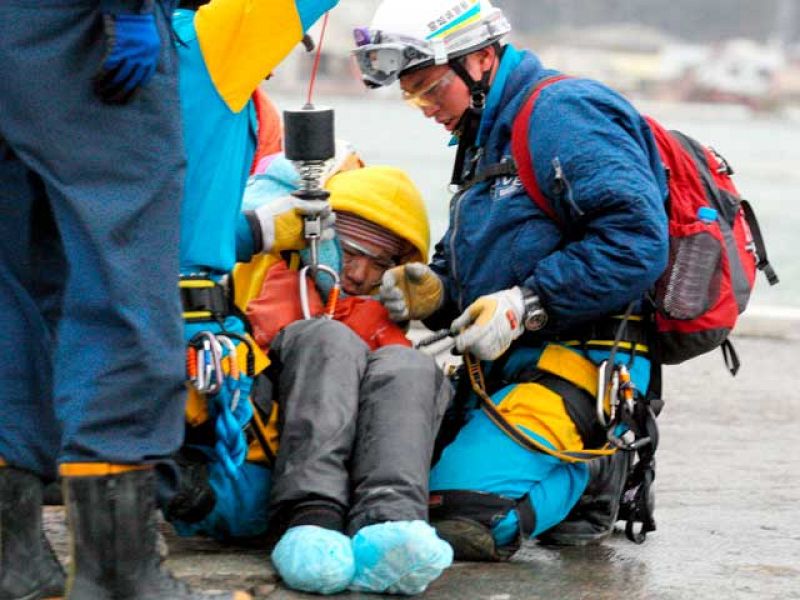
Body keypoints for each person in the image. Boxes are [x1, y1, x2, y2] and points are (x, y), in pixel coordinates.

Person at [353, 0, 670, 560]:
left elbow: (638, 242)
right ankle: (548, 471)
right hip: (506, 366)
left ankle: (598, 471)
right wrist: (437, 292)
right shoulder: (485, 137)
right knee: (389, 491)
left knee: (463, 519)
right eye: (412, 96)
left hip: (584, 361)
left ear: (480, 59)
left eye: (431, 89)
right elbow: (486, 263)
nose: (426, 109)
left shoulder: (564, 114)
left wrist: (529, 303)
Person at [0, 0, 251, 598]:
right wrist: (131, 11)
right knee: (122, 272)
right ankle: (117, 575)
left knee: (13, 284)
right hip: (82, 32)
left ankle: (12, 562)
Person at [170, 154, 455, 596]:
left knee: (412, 366)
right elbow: (197, 235)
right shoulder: (262, 266)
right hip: (262, 457)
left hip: (345, 477)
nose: (359, 273)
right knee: (328, 340)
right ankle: (311, 518)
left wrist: (435, 302)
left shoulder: (383, 316)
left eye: (379, 263)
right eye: (352, 252)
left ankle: (392, 525)